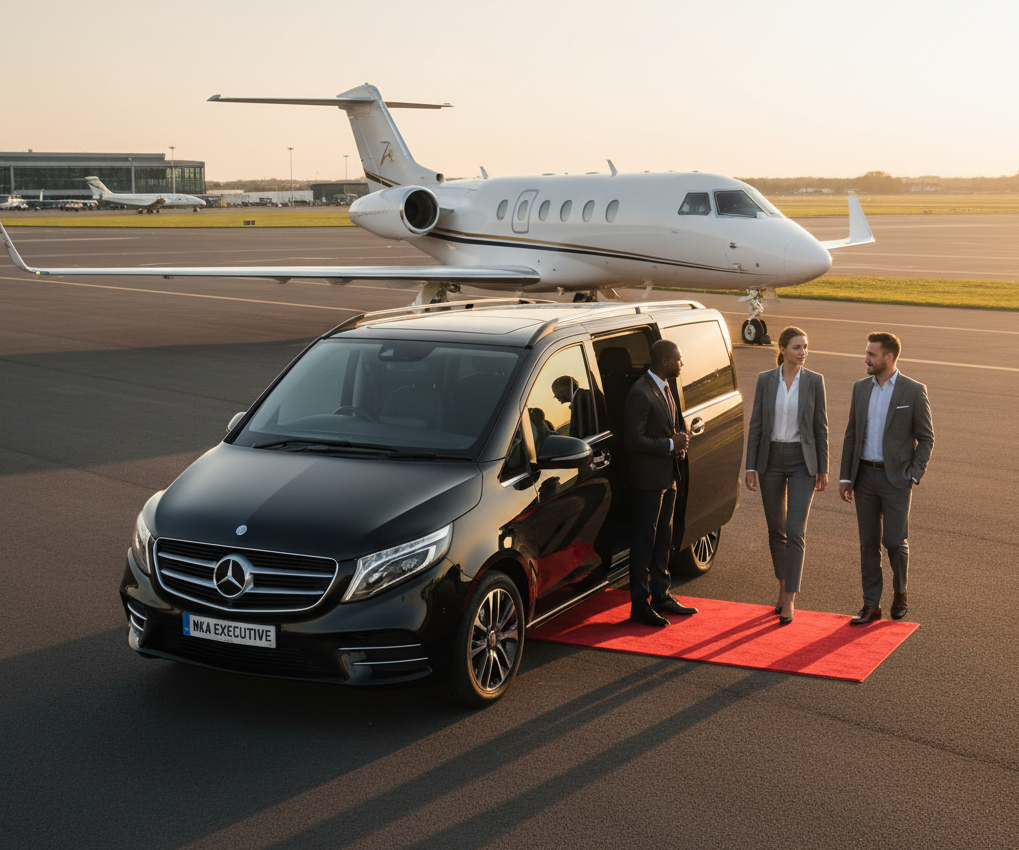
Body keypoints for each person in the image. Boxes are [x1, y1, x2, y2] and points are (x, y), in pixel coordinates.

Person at [839, 332, 934, 624]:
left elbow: (926, 438)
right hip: (864, 477)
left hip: (897, 480)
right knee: (868, 543)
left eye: (871, 354)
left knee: (894, 541)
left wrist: (913, 474)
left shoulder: (913, 390)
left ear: (888, 357)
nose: (866, 359)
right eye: (867, 353)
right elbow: (852, 434)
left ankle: (900, 592)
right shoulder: (860, 388)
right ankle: (871, 604)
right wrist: (846, 477)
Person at [745, 327, 828, 624]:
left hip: (802, 461)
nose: (803, 352)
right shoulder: (766, 380)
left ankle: (790, 598)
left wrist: (822, 467)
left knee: (795, 530)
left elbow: (820, 427)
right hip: (770, 460)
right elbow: (756, 424)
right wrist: (750, 466)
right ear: (782, 349)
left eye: (805, 347)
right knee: (776, 530)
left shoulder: (815, 381)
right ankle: (782, 587)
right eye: (797, 347)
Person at [623, 338, 697, 626]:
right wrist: (669, 444)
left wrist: (678, 445)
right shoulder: (640, 393)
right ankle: (640, 605)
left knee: (663, 540)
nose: (682, 363)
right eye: (678, 359)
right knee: (644, 543)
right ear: (664, 361)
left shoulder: (666, 387)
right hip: (647, 482)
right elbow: (633, 440)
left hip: (668, 477)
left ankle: (661, 595)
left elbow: (670, 427)